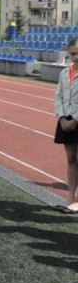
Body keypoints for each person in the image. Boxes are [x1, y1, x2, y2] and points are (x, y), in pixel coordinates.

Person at [54, 35, 78, 214]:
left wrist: (75, 120)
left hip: (77, 120)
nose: (76, 57)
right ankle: (71, 198)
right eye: (73, 53)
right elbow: (58, 97)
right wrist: (62, 118)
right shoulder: (64, 73)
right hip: (66, 120)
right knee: (71, 159)